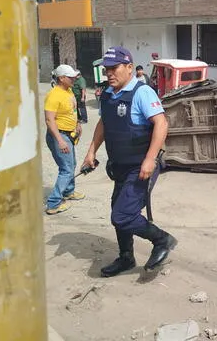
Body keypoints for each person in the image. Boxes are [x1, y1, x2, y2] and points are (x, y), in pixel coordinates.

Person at [83, 46, 174, 276]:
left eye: (114, 68)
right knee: (119, 213)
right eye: (106, 70)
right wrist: (91, 151)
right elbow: (104, 124)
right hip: (119, 167)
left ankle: (162, 240)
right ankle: (126, 257)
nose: (109, 73)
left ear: (130, 68)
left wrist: (150, 159)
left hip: (140, 166)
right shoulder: (107, 95)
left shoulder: (142, 92)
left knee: (122, 215)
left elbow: (161, 124)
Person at [44, 65, 85, 215]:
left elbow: (73, 109)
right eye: (71, 77)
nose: (74, 79)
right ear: (62, 78)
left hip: (69, 134)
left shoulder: (67, 91)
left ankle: (68, 191)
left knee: (71, 164)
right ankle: (53, 203)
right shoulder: (53, 95)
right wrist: (60, 140)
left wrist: (77, 124)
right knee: (66, 169)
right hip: (59, 135)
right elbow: (49, 120)